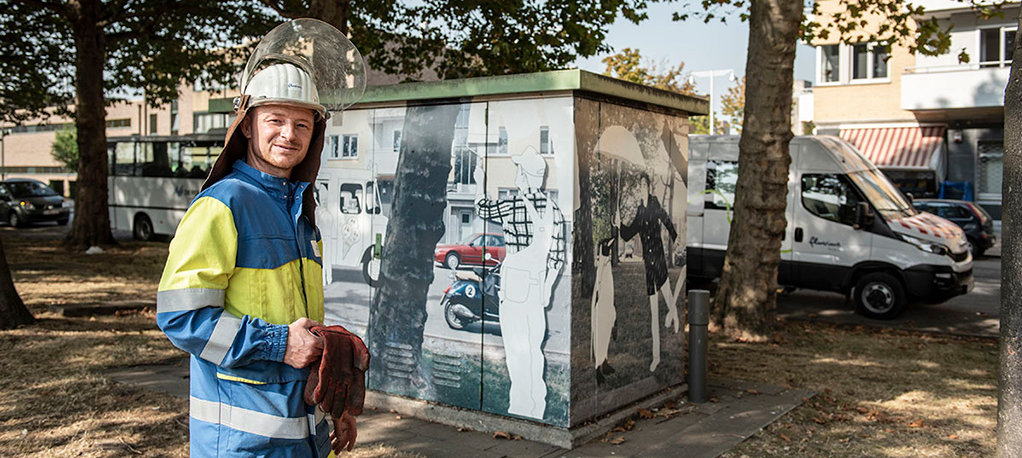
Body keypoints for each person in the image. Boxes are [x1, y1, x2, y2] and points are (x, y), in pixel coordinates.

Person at [156, 60, 356, 456]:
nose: (289, 134)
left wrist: (337, 406)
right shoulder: (222, 205)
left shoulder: (299, 211)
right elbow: (180, 317)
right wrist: (278, 342)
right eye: (275, 120)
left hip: (304, 436)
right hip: (242, 443)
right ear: (247, 125)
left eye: (302, 124)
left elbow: (302, 325)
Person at [475, 146, 566, 420]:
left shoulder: (513, 205)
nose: (516, 175)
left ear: (525, 177)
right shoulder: (554, 211)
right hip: (538, 288)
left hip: (514, 288)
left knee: (517, 350)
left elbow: (483, 209)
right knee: (534, 350)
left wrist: (480, 183)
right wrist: (548, 289)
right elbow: (557, 257)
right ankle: (537, 405)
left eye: (518, 171)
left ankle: (519, 407)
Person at [620, 173, 679, 372]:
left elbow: (666, 220)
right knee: (654, 311)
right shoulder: (639, 211)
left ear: (649, 186)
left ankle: (674, 316)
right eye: (640, 185)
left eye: (645, 184)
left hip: (659, 260)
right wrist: (619, 224)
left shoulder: (654, 205)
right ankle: (656, 357)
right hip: (649, 266)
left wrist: (675, 237)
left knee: (669, 298)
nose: (642, 187)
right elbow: (628, 233)